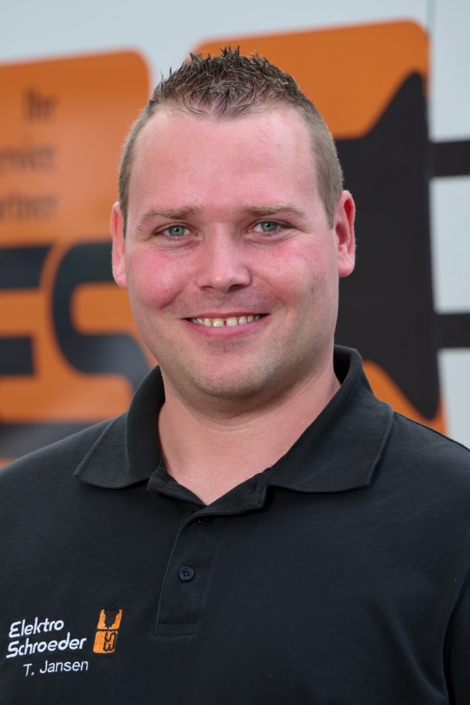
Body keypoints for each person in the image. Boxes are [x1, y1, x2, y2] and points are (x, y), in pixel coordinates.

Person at [1, 48, 470, 704]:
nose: (221, 274)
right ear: (120, 247)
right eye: (176, 230)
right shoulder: (12, 518)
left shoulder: (456, 524)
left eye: (267, 225)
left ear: (341, 234)